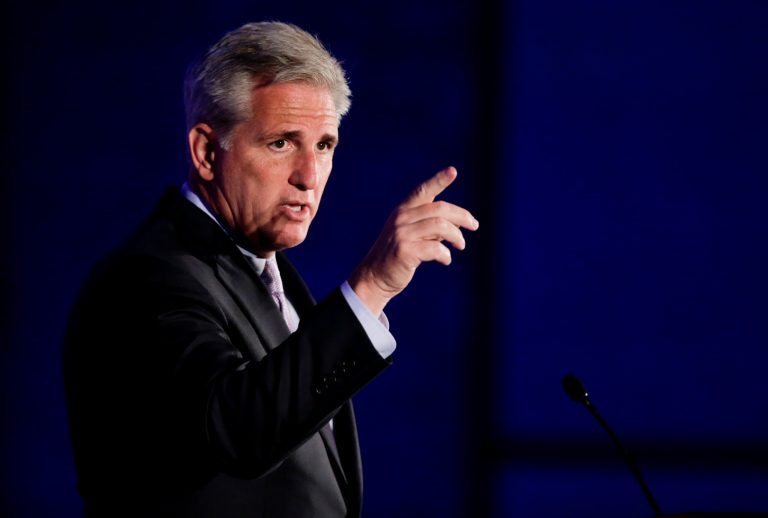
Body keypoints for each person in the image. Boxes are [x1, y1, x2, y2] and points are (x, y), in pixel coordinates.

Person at [63, 21, 478, 518]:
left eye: (324, 145)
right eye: (282, 143)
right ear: (206, 152)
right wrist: (372, 286)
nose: (309, 177)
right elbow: (238, 430)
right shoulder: (146, 279)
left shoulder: (268, 274)